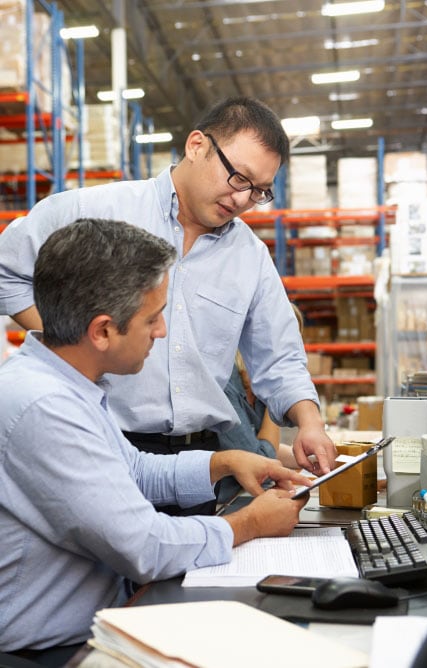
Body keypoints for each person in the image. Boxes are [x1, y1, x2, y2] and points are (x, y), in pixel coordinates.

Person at [0, 96, 336, 517]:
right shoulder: (96, 211)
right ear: (197, 145)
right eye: (239, 178)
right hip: (100, 445)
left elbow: (280, 356)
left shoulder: (250, 257)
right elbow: (5, 270)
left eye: (260, 191)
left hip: (198, 468)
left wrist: (310, 422)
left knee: (183, 577)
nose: (243, 200)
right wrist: (73, 338)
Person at [0, 218, 310, 663]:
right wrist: (252, 524)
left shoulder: (68, 384)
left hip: (97, 624)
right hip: (47, 653)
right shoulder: (45, 405)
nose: (162, 332)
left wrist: (224, 462)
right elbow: (145, 547)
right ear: (103, 331)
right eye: (152, 318)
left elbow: (135, 471)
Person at [218, 304, 303, 502]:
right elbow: (261, 459)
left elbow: (259, 444)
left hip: (242, 496)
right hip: (219, 505)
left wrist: (316, 460)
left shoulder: (254, 388)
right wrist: (275, 396)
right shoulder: (225, 381)